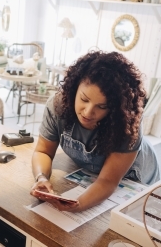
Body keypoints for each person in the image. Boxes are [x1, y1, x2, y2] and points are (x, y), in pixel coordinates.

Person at [30, 51, 160, 212]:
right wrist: (41, 177)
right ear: (74, 89)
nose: (88, 112)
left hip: (137, 180)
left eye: (102, 106)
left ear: (114, 108)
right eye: (84, 99)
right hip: (94, 175)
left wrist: (78, 204)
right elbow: (43, 151)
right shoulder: (57, 106)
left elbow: (107, 181)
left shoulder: (126, 124)